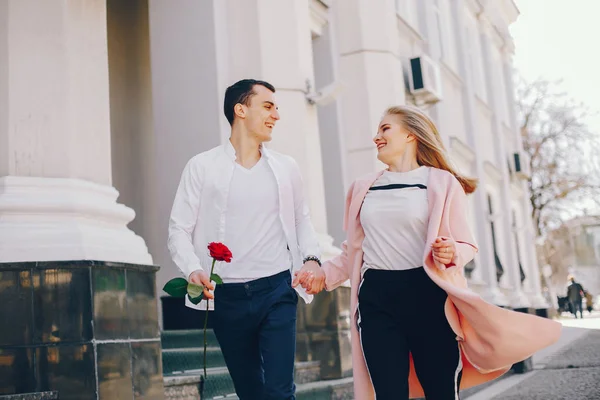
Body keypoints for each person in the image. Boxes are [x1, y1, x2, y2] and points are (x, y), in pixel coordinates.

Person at [294, 105, 562, 400]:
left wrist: (450, 253)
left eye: (385, 129)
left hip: (429, 296)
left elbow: (466, 244)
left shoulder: (440, 182)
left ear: (410, 134)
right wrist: (321, 273)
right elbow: (353, 253)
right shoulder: (363, 188)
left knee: (440, 390)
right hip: (377, 299)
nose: (376, 137)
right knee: (388, 392)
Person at [168, 79, 322, 400]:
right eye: (267, 106)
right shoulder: (202, 167)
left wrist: (311, 258)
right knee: (250, 391)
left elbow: (301, 220)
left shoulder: (286, 167)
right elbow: (178, 229)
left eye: (276, 108)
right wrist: (193, 269)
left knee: (280, 391)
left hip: (277, 290)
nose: (276, 115)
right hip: (227, 297)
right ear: (241, 110)